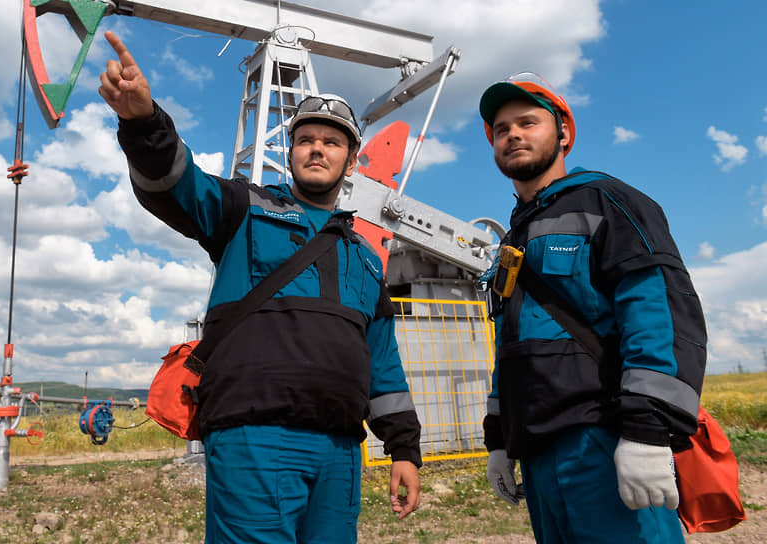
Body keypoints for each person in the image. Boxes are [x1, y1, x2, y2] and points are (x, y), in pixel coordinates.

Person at [97, 30, 422, 543]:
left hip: (340, 451)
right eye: (306, 139)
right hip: (255, 440)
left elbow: (383, 364)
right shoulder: (242, 210)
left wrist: (403, 448)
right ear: (290, 152)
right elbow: (177, 185)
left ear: (351, 160)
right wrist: (143, 122)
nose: (317, 148)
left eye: (332, 141)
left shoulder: (364, 257)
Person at [477, 72, 707, 543]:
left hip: (606, 439)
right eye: (502, 130)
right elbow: (511, 346)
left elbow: (656, 312)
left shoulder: (609, 202)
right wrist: (499, 439)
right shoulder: (514, 236)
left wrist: (646, 432)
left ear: (563, 133)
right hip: (540, 453)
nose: (513, 135)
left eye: (527, 122)